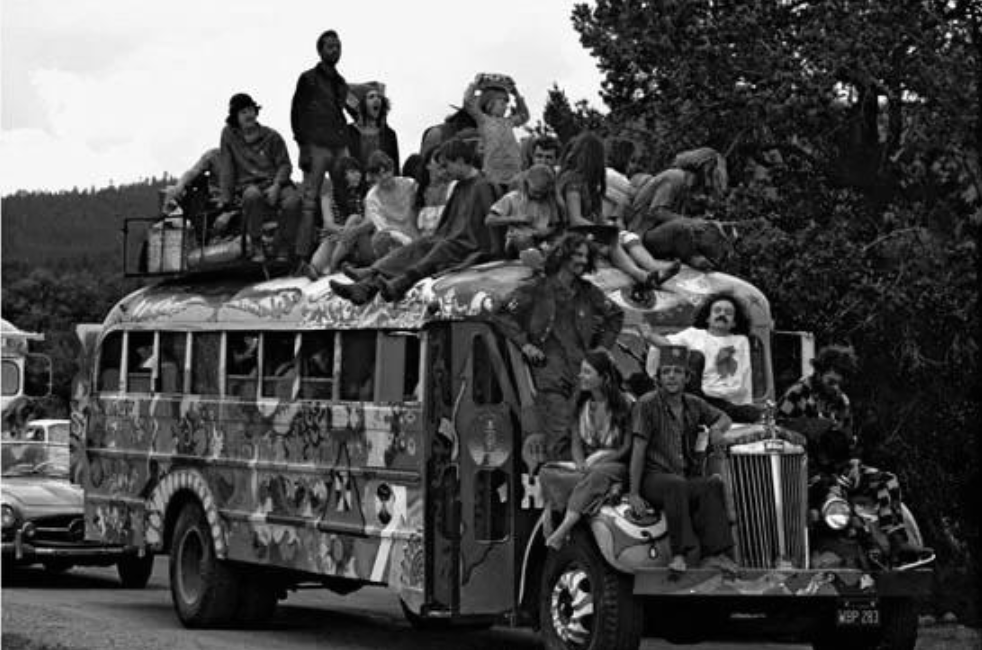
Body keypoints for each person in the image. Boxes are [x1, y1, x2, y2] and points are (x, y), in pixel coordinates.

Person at [777, 345, 931, 567]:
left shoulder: (842, 401)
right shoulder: (797, 393)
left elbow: (850, 442)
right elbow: (779, 428)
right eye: (832, 379)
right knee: (835, 495)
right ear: (820, 371)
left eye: (840, 381)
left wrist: (855, 464)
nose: (836, 386)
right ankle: (863, 545)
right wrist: (814, 430)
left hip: (838, 466)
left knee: (887, 481)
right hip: (807, 469)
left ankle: (898, 541)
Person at [490, 232, 624, 459]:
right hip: (551, 375)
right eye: (578, 255)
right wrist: (525, 344)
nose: (583, 261)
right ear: (563, 255)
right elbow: (500, 311)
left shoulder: (588, 291)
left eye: (586, 256)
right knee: (561, 436)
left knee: (585, 436)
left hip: (582, 374)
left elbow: (616, 315)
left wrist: (603, 348)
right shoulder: (536, 288)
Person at [329, 137, 497, 304]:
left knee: (442, 247)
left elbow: (490, 228)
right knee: (423, 243)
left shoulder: (482, 186)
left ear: (460, 161)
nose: (445, 171)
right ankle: (367, 281)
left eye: (447, 166)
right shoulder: (461, 186)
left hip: (466, 245)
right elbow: (447, 226)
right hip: (452, 240)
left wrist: (491, 254)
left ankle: (396, 284)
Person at [626, 345, 735, 573]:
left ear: (687, 377)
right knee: (675, 485)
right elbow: (638, 449)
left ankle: (715, 555)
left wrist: (716, 429)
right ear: (658, 377)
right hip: (653, 478)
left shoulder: (694, 403)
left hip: (682, 477)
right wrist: (634, 493)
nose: (671, 376)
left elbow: (724, 417)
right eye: (666, 372)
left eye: (677, 371)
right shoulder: (646, 404)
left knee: (711, 485)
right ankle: (679, 554)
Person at [556, 132, 675, 301]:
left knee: (616, 236)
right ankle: (643, 275)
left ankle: (648, 272)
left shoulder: (589, 184)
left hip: (585, 229)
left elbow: (596, 215)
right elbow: (575, 219)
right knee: (611, 240)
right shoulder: (573, 183)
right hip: (572, 231)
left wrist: (604, 225)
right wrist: (601, 230)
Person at [540, 349, 634, 549]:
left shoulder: (626, 403)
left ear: (604, 377)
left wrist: (601, 462)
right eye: (581, 371)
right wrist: (581, 463)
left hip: (615, 464)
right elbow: (576, 443)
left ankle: (564, 528)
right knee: (547, 472)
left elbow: (627, 447)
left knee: (598, 474)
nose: (580, 376)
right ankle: (603, 490)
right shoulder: (582, 404)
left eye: (587, 372)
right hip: (589, 465)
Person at [291, 30, 359, 262]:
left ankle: (348, 250)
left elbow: (353, 107)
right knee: (310, 201)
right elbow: (296, 113)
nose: (335, 50)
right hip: (316, 144)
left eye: (338, 46)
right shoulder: (308, 78)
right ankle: (302, 257)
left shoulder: (341, 83)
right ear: (320, 51)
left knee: (348, 193)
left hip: (339, 144)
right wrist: (303, 147)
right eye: (330, 46)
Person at [642, 292, 759, 423]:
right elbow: (670, 346)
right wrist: (649, 336)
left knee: (756, 414)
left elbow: (744, 375)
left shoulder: (740, 341)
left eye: (728, 312)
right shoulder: (694, 335)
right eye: (717, 311)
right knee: (696, 356)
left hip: (727, 403)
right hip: (699, 398)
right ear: (708, 318)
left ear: (734, 323)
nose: (722, 314)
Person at [217, 93, 300, 264]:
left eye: (250, 110)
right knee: (251, 195)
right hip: (248, 185)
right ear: (235, 117)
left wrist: (277, 185)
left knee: (293, 201)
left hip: (275, 182)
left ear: (256, 112)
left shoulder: (272, 136)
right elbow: (227, 169)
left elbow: (285, 165)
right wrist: (226, 202)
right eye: (243, 112)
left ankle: (283, 246)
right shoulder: (228, 135)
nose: (248, 115)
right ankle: (257, 245)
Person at [628, 147, 730, 270]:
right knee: (681, 228)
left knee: (711, 231)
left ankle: (706, 260)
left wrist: (706, 224)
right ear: (705, 171)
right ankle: (691, 257)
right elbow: (656, 211)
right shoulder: (674, 178)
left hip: (660, 232)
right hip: (643, 233)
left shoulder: (687, 188)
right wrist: (691, 222)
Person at [463, 73, 530, 188]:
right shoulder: (483, 120)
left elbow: (524, 116)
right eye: (502, 103)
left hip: (514, 172)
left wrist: (517, 95)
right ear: (490, 103)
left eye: (506, 104)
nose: (505, 107)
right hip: (492, 173)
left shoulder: (509, 121)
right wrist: (474, 85)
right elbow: (468, 102)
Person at [485, 163, 563, 260]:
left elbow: (555, 226)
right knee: (522, 239)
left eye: (542, 193)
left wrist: (547, 231)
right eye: (535, 192)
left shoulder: (549, 201)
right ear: (527, 183)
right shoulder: (513, 198)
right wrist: (517, 219)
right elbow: (489, 220)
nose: (538, 196)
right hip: (518, 242)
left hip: (542, 241)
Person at [347, 82, 400, 171]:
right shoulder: (348, 132)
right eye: (371, 97)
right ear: (361, 105)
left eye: (379, 97)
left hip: (383, 179)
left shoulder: (389, 134)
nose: (377, 100)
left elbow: (395, 168)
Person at [414, 146, 456, 238]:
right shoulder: (417, 189)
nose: (441, 162)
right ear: (428, 165)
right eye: (437, 158)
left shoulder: (453, 187)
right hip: (422, 241)